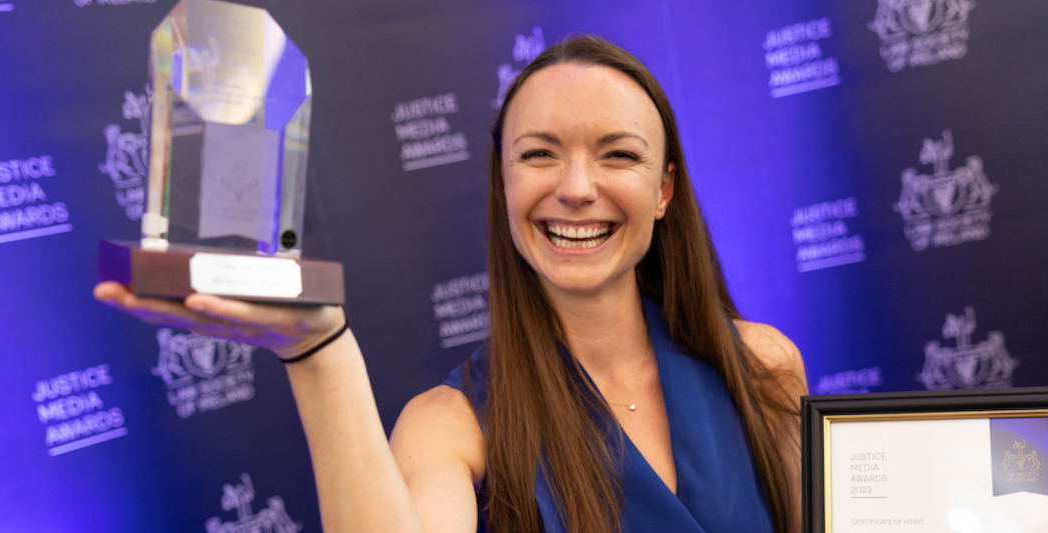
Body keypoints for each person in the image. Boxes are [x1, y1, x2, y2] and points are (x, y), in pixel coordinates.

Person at [95, 34, 806, 533]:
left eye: (617, 155)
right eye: (539, 154)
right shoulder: (451, 424)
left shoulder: (764, 367)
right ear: (504, 185)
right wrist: (319, 353)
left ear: (664, 190)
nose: (576, 187)